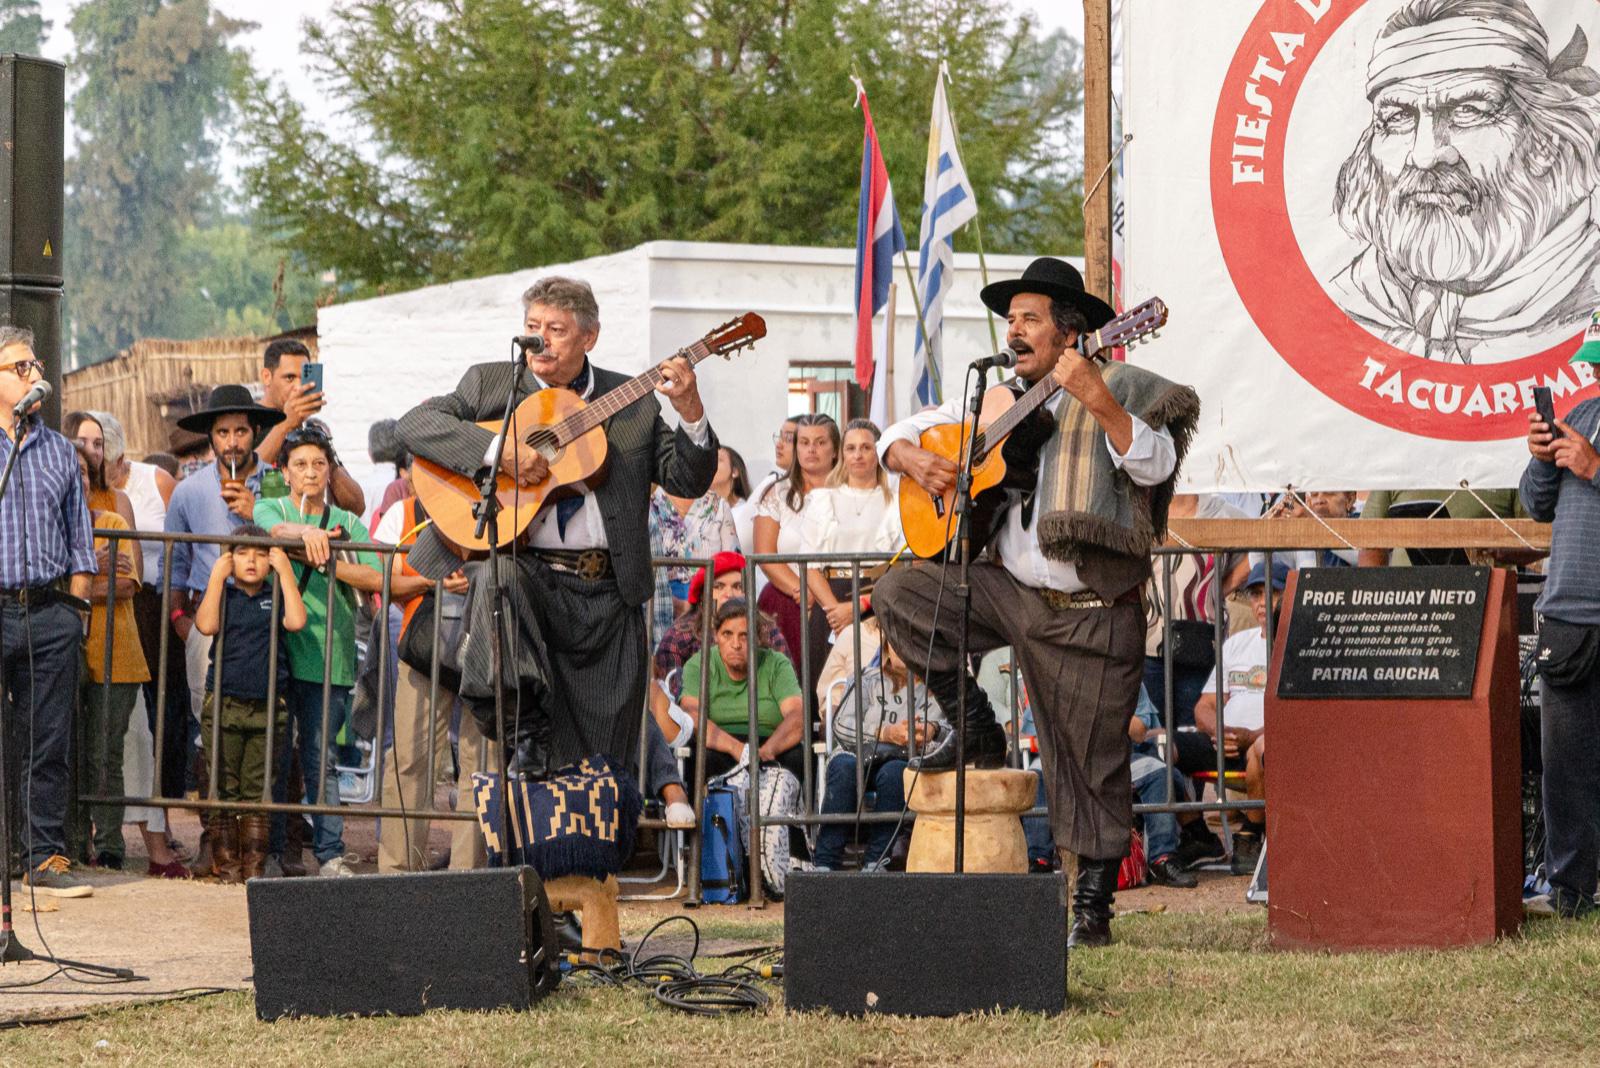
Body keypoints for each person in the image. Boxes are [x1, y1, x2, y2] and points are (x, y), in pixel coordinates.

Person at [873, 257, 1198, 949]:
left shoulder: (1122, 385)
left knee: (1090, 760)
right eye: (1010, 318)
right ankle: (976, 725)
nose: (1014, 330)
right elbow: (896, 432)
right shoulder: (991, 398)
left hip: (1088, 612)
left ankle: (1092, 906)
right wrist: (911, 459)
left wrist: (1096, 398)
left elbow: (1157, 464)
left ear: (1070, 332)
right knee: (899, 590)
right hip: (1008, 594)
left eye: (1030, 319)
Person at [396, 275, 718, 779]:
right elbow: (413, 426)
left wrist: (691, 412)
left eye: (556, 330)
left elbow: (686, 478)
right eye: (532, 327)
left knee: (604, 761)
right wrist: (496, 452)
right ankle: (525, 728)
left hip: (608, 594)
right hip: (534, 582)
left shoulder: (629, 400)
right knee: (500, 580)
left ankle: (597, 846)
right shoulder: (492, 385)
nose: (539, 340)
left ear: (588, 337)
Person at [1330, 0, 1600, 364]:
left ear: (1545, 141)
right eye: (1397, 117)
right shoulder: (1359, 299)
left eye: (1468, 111)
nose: (1425, 155)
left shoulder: (1588, 304)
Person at [254, 426, 385, 877]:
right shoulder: (270, 505)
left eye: (318, 465)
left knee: (321, 760)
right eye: (300, 465)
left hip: (330, 653)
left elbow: (373, 577)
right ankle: (271, 851)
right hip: (276, 651)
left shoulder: (348, 523)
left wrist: (329, 556)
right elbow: (270, 526)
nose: (310, 473)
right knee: (274, 756)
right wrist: (305, 535)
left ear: (330, 471)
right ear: (286, 474)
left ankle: (330, 855)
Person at [0, 327, 98, 898]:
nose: (33, 374)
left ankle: (44, 856)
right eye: (18, 367)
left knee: (49, 738)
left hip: (49, 611)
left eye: (35, 364)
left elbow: (81, 543)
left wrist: (76, 614)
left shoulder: (61, 450)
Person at [373, 490, 494, 872]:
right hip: (424, 646)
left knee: (482, 764)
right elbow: (385, 581)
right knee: (408, 757)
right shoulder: (405, 512)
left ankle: (467, 876)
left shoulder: (502, 502)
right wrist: (430, 582)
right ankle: (396, 873)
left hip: (489, 641)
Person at [1520, 389, 1600, 918]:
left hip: (1572, 611)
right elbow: (1535, 504)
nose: (1595, 372)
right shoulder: (1581, 413)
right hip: (1569, 612)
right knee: (1565, 768)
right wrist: (1541, 459)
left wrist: (1595, 468)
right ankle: (1570, 890)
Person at [192, 526, 307, 882]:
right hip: (224, 702)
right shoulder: (224, 596)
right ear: (230, 559)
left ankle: (253, 867)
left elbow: (297, 620)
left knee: (258, 789)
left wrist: (285, 572)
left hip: (268, 708)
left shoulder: (276, 595)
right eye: (242, 554)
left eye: (259, 554)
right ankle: (227, 866)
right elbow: (205, 623)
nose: (252, 561)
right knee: (223, 783)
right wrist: (216, 577)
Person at [71, 441, 155, 873]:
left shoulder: (113, 521)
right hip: (65, 654)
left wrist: (72, 582)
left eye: (86, 473)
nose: (80, 481)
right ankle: (67, 842)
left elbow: (126, 584)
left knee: (106, 754)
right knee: (66, 752)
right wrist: (91, 567)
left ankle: (108, 845)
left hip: (117, 654)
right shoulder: (48, 528)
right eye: (73, 472)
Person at [813, 626, 947, 873]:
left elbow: (954, 731)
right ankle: (824, 863)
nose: (903, 651)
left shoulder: (938, 689)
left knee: (895, 774)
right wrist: (884, 732)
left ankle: (878, 860)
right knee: (843, 769)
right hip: (858, 752)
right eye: (895, 644)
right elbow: (841, 725)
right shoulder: (867, 679)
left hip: (906, 757)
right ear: (885, 649)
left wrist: (931, 730)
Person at [754, 412, 840, 692]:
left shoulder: (848, 493)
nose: (811, 449)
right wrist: (802, 590)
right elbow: (765, 554)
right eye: (803, 442)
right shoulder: (777, 493)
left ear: (835, 449)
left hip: (838, 594)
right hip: (788, 596)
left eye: (820, 442)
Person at [679, 599, 806, 783]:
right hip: (720, 745)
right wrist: (738, 750)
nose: (736, 644)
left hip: (771, 744)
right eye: (727, 634)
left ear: (757, 637)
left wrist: (766, 752)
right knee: (702, 759)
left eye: (744, 635)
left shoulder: (776, 663)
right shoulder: (699, 664)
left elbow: (797, 716)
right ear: (715, 636)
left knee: (797, 758)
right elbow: (693, 718)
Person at [802, 418, 895, 636]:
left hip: (877, 596)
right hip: (830, 601)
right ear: (842, 454)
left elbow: (901, 564)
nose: (858, 455)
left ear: (878, 452)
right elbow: (809, 563)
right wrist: (835, 611)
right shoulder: (823, 500)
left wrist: (858, 606)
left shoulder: (896, 503)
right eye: (851, 448)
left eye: (866, 447)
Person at [254, 338, 365, 514]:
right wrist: (286, 425)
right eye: (289, 378)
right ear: (267, 377)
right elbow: (247, 478)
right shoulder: (248, 422)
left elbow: (356, 507)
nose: (298, 387)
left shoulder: (312, 428)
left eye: (303, 377)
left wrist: (324, 457)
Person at [62, 410, 135, 528]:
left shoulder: (118, 501)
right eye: (82, 442)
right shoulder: (53, 497)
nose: (91, 450)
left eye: (97, 444)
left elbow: (130, 546)